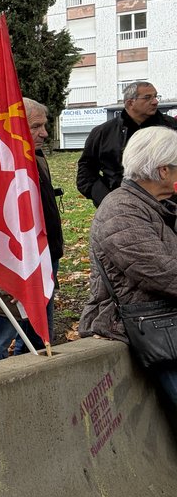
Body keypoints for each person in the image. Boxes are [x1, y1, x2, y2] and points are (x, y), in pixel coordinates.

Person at [80, 126, 177, 416]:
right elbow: (160, 272)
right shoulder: (121, 210)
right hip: (155, 330)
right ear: (162, 171)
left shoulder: (155, 205)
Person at [0, 98, 63, 363]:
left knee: (37, 337)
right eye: (36, 126)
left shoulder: (36, 156)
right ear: (14, 126)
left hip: (41, 260)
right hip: (9, 268)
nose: (44, 133)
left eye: (44, 125)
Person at [77, 81, 177, 207]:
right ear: (130, 102)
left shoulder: (172, 128)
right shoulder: (103, 132)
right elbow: (86, 170)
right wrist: (106, 199)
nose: (155, 101)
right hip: (120, 208)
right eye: (148, 97)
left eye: (156, 96)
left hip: (169, 210)